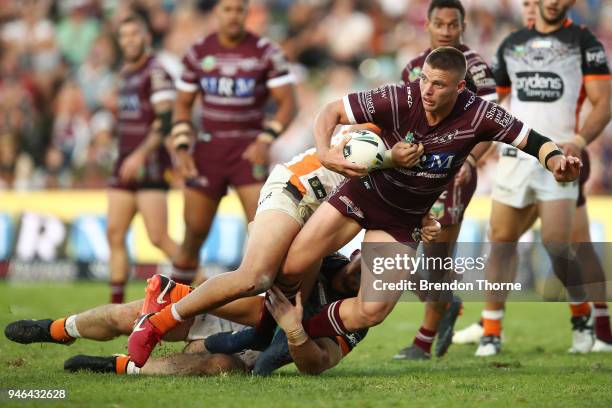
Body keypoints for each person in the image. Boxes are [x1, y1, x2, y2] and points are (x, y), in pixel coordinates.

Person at [127, 46, 581, 368]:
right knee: (279, 273)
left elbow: (530, 139)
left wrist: (557, 160)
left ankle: (293, 330)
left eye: (438, 85)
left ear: (459, 87)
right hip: (358, 198)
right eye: (424, 79)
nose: (427, 90)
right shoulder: (400, 97)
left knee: (373, 310)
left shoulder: (479, 114)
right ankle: (171, 317)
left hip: (401, 223)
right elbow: (330, 111)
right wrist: (326, 152)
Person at [457, 0, 611, 357]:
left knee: (559, 244)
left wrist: (579, 141)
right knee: (501, 239)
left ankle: (582, 312)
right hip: (516, 156)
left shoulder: (585, 43)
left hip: (561, 157)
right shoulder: (512, 44)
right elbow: (494, 104)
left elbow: (604, 102)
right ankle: (491, 330)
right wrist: (477, 149)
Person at [5, 253, 379, 377]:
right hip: (235, 308)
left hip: (266, 342)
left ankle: (118, 367)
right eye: (363, 263)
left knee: (215, 364)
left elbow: (319, 362)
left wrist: (295, 332)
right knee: (133, 314)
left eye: (369, 277)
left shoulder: (357, 319)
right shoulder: (325, 255)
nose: (358, 273)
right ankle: (57, 329)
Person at [394, 0, 498, 361]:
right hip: (412, 174)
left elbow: (492, 122)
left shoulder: (478, 70)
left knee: (436, 260)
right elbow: (401, 118)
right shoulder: (412, 67)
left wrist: (469, 159)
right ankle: (449, 302)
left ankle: (423, 343)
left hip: (452, 175)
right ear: (428, 25)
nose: (446, 31)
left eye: (453, 25)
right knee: (397, 260)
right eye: (440, 24)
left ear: (462, 26)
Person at [166, 0, 297, 285]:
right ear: (217, 13)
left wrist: (265, 140)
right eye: (227, 9)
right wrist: (181, 147)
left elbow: (288, 103)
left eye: (239, 10)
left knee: (264, 234)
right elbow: (182, 104)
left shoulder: (266, 52)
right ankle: (169, 313)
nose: (233, 16)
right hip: (208, 149)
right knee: (193, 235)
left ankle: (270, 315)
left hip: (248, 150)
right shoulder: (199, 52)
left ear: (247, 13)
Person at [107, 15, 178, 303]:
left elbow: (165, 120)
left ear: (146, 36)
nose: (129, 41)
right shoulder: (125, 73)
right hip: (123, 163)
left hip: (149, 166)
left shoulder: (156, 72)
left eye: (134, 34)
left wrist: (139, 155)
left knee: (158, 237)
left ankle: (207, 289)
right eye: (124, 36)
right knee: (114, 233)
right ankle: (116, 306)